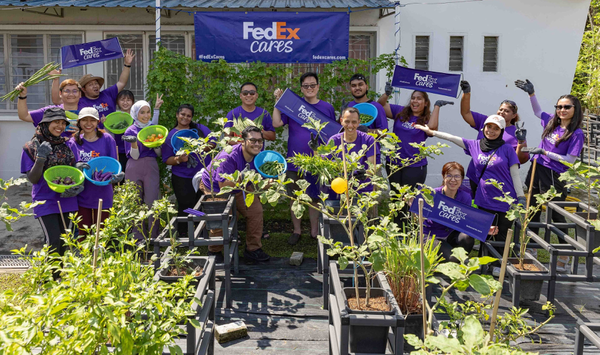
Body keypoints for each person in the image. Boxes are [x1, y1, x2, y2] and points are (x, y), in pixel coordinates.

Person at [415, 115, 526, 252]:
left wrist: (521, 196)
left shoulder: (508, 149)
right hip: (484, 199)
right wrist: (432, 133)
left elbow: (515, 174)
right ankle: (486, 266)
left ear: (502, 131)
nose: (491, 131)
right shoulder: (475, 145)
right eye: (489, 127)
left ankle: (499, 266)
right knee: (485, 234)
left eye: (496, 128)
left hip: (505, 199)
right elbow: (452, 137)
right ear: (484, 127)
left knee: (502, 235)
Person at [515, 79, 585, 270]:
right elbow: (538, 112)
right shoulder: (552, 123)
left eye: (566, 107)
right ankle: (533, 249)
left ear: (574, 109)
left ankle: (564, 254)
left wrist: (546, 153)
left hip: (554, 174)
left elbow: (569, 161)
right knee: (533, 209)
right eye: (559, 106)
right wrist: (531, 94)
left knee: (555, 213)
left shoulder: (576, 133)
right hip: (537, 168)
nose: (562, 110)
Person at [272, 72, 336, 245]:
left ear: (318, 87)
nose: (309, 88)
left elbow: (333, 134)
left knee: (315, 197)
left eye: (312, 85)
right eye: (306, 86)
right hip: (294, 161)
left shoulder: (327, 107)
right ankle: (297, 231)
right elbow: (277, 123)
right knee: (295, 197)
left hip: (317, 162)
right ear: (301, 88)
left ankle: (314, 232)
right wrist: (278, 103)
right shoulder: (293, 106)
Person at [198, 126, 270, 263]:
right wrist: (243, 178)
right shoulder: (229, 156)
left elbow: (258, 180)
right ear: (243, 141)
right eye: (252, 140)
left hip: (240, 185)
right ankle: (214, 251)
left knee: (256, 211)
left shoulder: (259, 156)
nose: (257, 144)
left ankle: (253, 249)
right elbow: (223, 186)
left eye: (259, 141)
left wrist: (268, 183)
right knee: (223, 218)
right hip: (215, 187)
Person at [377, 89, 448, 226]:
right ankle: (397, 230)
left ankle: (409, 232)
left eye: (419, 99)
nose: (415, 101)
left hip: (415, 166)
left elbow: (432, 129)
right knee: (396, 198)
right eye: (413, 98)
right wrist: (386, 93)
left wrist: (437, 106)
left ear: (425, 103)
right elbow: (380, 106)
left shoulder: (426, 119)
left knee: (409, 199)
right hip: (394, 163)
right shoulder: (400, 112)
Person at [21, 107, 85, 255]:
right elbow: (33, 179)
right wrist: (40, 159)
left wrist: (78, 184)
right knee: (53, 240)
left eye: (63, 123)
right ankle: (47, 277)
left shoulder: (69, 144)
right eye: (56, 122)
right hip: (45, 199)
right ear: (45, 124)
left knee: (64, 241)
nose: (60, 126)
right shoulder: (31, 147)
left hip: (68, 198)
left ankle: (58, 276)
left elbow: (76, 172)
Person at [458, 80, 530, 196]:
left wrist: (521, 141)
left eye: (506, 111)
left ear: (514, 115)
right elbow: (465, 113)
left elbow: (521, 159)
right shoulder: (486, 121)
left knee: (491, 208)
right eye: (500, 109)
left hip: (497, 179)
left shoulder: (516, 132)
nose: (502, 112)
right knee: (476, 207)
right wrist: (466, 94)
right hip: (476, 174)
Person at [67, 107, 123, 236]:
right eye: (84, 120)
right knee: (83, 233)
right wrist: (76, 166)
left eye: (92, 120)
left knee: (103, 234)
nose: (88, 123)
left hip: (103, 192)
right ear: (79, 122)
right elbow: (70, 169)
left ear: (98, 122)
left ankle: (101, 257)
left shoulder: (107, 139)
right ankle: (85, 256)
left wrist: (117, 176)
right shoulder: (73, 142)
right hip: (82, 193)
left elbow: (113, 165)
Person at [162, 104, 213, 238]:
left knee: (201, 202)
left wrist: (200, 148)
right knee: (186, 204)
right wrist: (179, 159)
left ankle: (201, 230)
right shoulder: (171, 135)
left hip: (202, 175)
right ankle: (184, 233)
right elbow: (167, 159)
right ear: (177, 115)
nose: (185, 117)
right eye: (182, 114)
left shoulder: (200, 129)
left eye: (188, 115)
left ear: (191, 118)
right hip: (182, 177)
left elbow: (213, 143)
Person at [121, 101, 165, 241]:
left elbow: (158, 153)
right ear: (135, 113)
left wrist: (157, 144)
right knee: (135, 201)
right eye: (142, 112)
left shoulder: (153, 128)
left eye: (148, 112)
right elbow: (134, 155)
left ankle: (154, 236)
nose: (146, 115)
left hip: (151, 165)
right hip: (134, 165)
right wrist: (134, 143)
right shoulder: (130, 131)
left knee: (153, 201)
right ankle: (138, 238)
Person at [54, 49, 135, 124]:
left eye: (96, 83)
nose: (95, 86)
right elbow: (57, 101)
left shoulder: (108, 94)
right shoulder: (79, 101)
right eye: (90, 85)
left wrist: (127, 64)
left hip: (112, 133)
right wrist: (55, 79)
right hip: (91, 135)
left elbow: (121, 82)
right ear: (84, 89)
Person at [420, 162, 477, 263]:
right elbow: (420, 215)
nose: (453, 180)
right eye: (449, 175)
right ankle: (455, 260)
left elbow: (467, 221)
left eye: (457, 176)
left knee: (467, 237)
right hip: (433, 235)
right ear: (443, 177)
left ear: (462, 179)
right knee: (453, 259)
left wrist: (484, 229)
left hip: (451, 234)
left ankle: (462, 258)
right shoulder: (432, 194)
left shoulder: (465, 197)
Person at [317, 107, 377, 201]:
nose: (350, 125)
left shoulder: (368, 140)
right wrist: (315, 150)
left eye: (354, 122)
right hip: (337, 190)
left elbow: (372, 167)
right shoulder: (334, 140)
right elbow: (323, 164)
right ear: (341, 121)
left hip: (361, 190)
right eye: (347, 121)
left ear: (358, 122)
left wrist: (365, 174)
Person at [114, 91, 163, 172]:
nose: (125, 102)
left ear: (133, 102)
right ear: (117, 102)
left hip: (140, 153)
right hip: (121, 152)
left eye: (128, 100)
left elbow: (152, 127)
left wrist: (156, 109)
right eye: (122, 99)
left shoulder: (139, 119)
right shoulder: (115, 118)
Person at [16, 79, 82, 137]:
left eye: (75, 91)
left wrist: (82, 132)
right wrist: (22, 96)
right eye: (67, 91)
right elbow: (24, 116)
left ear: (80, 94)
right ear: (60, 93)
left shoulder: (87, 112)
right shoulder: (51, 112)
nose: (71, 94)